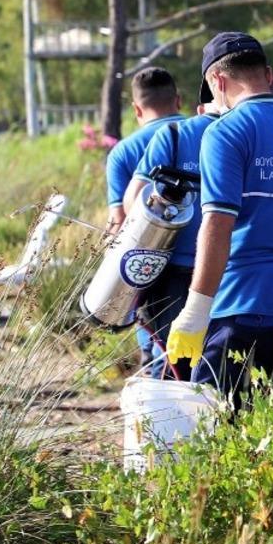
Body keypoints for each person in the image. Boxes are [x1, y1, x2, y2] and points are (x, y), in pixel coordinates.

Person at [164, 33, 273, 408]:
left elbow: (217, 224)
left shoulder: (224, 132)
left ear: (217, 81)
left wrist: (194, 312)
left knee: (214, 426)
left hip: (241, 309)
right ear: (269, 75)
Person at [121, 102, 217, 380]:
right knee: (219, 367)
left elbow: (133, 201)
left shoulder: (175, 135)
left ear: (201, 108)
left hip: (173, 271)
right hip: (233, 273)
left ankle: (162, 407)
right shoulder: (250, 131)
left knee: (170, 364)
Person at [103, 67, 185, 371]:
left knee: (159, 358)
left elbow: (118, 221)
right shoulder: (204, 132)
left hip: (151, 271)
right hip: (209, 265)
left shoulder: (123, 152)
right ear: (178, 100)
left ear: (136, 109)